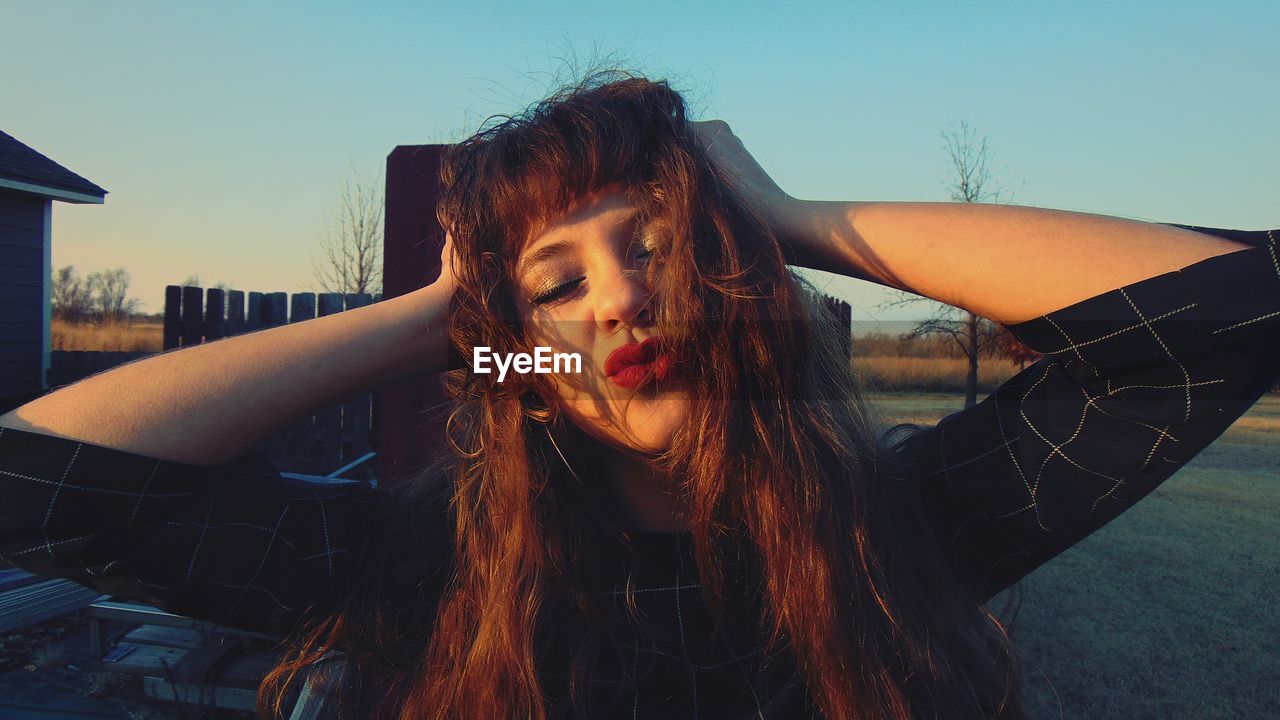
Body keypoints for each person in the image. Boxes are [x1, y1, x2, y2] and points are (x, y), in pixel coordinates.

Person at [1, 71, 1277, 720]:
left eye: (659, 247)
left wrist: (787, 219)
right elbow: (43, 488)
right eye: (557, 285)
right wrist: (443, 321)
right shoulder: (428, 565)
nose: (617, 300)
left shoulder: (901, 526)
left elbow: (1228, 323)